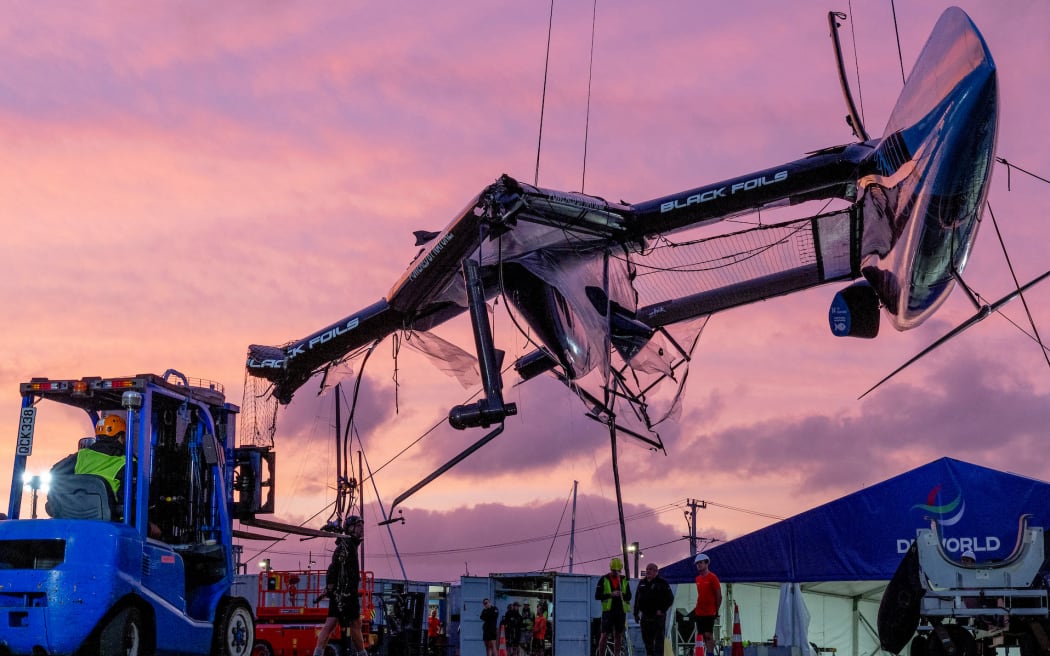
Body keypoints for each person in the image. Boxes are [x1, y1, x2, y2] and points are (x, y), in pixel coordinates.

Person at [314, 516, 366, 656]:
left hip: (341, 594)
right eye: (358, 526)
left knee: (330, 625)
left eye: (362, 526)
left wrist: (332, 589)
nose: (361, 529)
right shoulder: (346, 546)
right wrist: (332, 586)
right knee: (355, 625)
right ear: (350, 528)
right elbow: (333, 568)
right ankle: (362, 654)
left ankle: (317, 653)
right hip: (346, 594)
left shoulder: (349, 545)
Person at [52, 414, 130, 497]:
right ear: (120, 436)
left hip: (77, 503)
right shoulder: (127, 462)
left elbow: (54, 473)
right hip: (108, 506)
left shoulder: (81, 455)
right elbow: (127, 496)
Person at [634, 562, 675, 656]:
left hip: (657, 617)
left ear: (656, 571)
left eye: (651, 569)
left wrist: (662, 610)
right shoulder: (642, 583)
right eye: (647, 569)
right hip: (645, 617)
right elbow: (637, 598)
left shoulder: (662, 583)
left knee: (658, 642)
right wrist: (636, 613)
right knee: (647, 642)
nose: (648, 571)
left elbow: (670, 598)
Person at [595, 557, 632, 656]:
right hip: (608, 611)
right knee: (604, 635)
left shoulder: (624, 580)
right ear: (611, 569)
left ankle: (617, 654)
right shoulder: (604, 579)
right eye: (614, 571)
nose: (616, 573)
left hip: (620, 611)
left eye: (618, 571)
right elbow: (597, 596)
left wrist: (621, 594)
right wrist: (610, 594)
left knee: (618, 635)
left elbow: (629, 596)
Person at [693, 553, 722, 656]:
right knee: (703, 636)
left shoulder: (713, 578)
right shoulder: (697, 579)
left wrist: (715, 610)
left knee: (708, 635)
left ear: (706, 563)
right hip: (699, 612)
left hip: (709, 612)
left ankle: (710, 653)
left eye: (700, 563)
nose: (698, 565)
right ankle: (706, 653)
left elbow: (719, 596)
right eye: (697, 563)